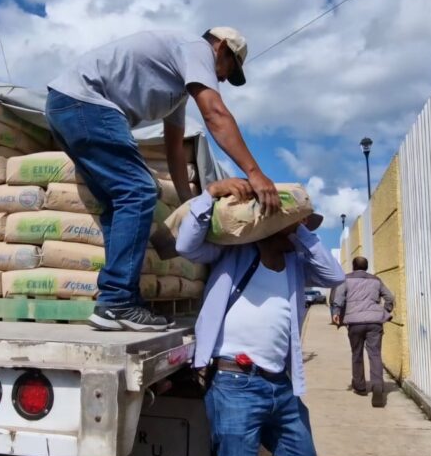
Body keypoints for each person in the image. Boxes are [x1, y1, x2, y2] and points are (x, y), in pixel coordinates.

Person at [45, 28, 281, 332]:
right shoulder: (196, 49)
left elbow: (174, 149)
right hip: (85, 103)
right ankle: (117, 301)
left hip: (67, 106)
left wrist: (189, 204)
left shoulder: (177, 91)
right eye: (228, 70)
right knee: (140, 191)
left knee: (117, 203)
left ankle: (119, 299)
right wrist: (254, 173)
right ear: (220, 48)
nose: (222, 79)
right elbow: (215, 113)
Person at [175, 178, 345, 456]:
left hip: (280, 386)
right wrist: (210, 194)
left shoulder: (296, 263)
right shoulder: (234, 250)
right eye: (297, 223)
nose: (302, 229)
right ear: (274, 224)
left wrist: (299, 231)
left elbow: (334, 276)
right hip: (235, 383)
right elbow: (186, 245)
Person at [331, 256, 395, 407]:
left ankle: (360, 387)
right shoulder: (376, 280)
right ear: (366, 267)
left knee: (357, 353)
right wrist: (385, 311)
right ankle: (377, 386)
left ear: (353, 266)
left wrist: (336, 312)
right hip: (374, 322)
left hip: (355, 323)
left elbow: (339, 297)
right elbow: (389, 297)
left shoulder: (345, 279)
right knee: (375, 354)